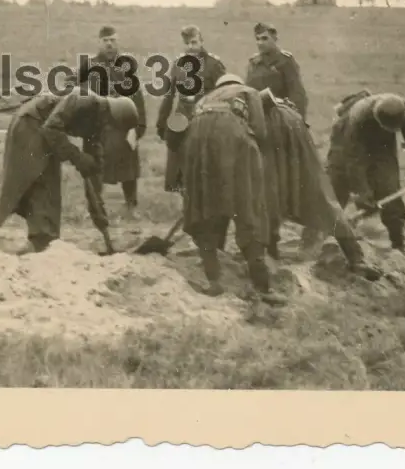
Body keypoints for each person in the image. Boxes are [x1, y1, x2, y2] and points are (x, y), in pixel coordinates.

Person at [181, 73, 285, 304]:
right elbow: (260, 131)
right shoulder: (249, 92)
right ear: (236, 84)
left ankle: (213, 280)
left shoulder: (204, 100)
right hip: (232, 136)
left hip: (196, 137)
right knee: (248, 204)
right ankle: (262, 286)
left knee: (204, 205)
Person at [256, 87, 381, 280]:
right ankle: (356, 259)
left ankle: (271, 257)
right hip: (300, 146)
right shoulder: (282, 112)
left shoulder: (260, 117)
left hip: (285, 145)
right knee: (328, 205)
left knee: (270, 200)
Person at [0, 91, 141, 255]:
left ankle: (43, 244)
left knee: (49, 187)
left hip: (42, 130)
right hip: (29, 123)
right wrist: (77, 157)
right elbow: (50, 128)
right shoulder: (82, 99)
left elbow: (92, 176)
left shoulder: (99, 122)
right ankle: (42, 244)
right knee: (41, 181)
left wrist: (100, 217)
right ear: (113, 116)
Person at [326, 90, 405, 253]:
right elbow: (354, 160)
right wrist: (363, 192)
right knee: (337, 185)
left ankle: (398, 244)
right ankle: (318, 237)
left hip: (381, 144)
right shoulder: (358, 116)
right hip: (346, 140)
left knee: (389, 187)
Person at [78, 24, 147, 217]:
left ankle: (131, 206)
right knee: (93, 168)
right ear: (99, 43)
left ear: (118, 42)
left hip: (122, 127)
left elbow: (138, 100)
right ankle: (94, 207)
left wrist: (137, 128)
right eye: (105, 41)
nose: (109, 44)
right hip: (96, 127)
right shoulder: (88, 67)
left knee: (129, 168)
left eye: (112, 40)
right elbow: (73, 92)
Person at [155, 25, 228, 195]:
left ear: (201, 42)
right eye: (187, 43)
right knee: (178, 158)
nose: (190, 47)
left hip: (206, 117)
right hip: (182, 116)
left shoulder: (214, 64)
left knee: (205, 162)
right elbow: (169, 95)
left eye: (194, 42)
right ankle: (183, 195)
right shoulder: (179, 64)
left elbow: (224, 93)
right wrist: (161, 122)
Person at [244, 22, 309, 123]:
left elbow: (297, 94)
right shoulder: (253, 63)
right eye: (257, 39)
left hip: (281, 116)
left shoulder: (285, 61)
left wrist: (299, 121)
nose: (260, 43)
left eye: (265, 38)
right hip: (258, 116)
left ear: (274, 39)